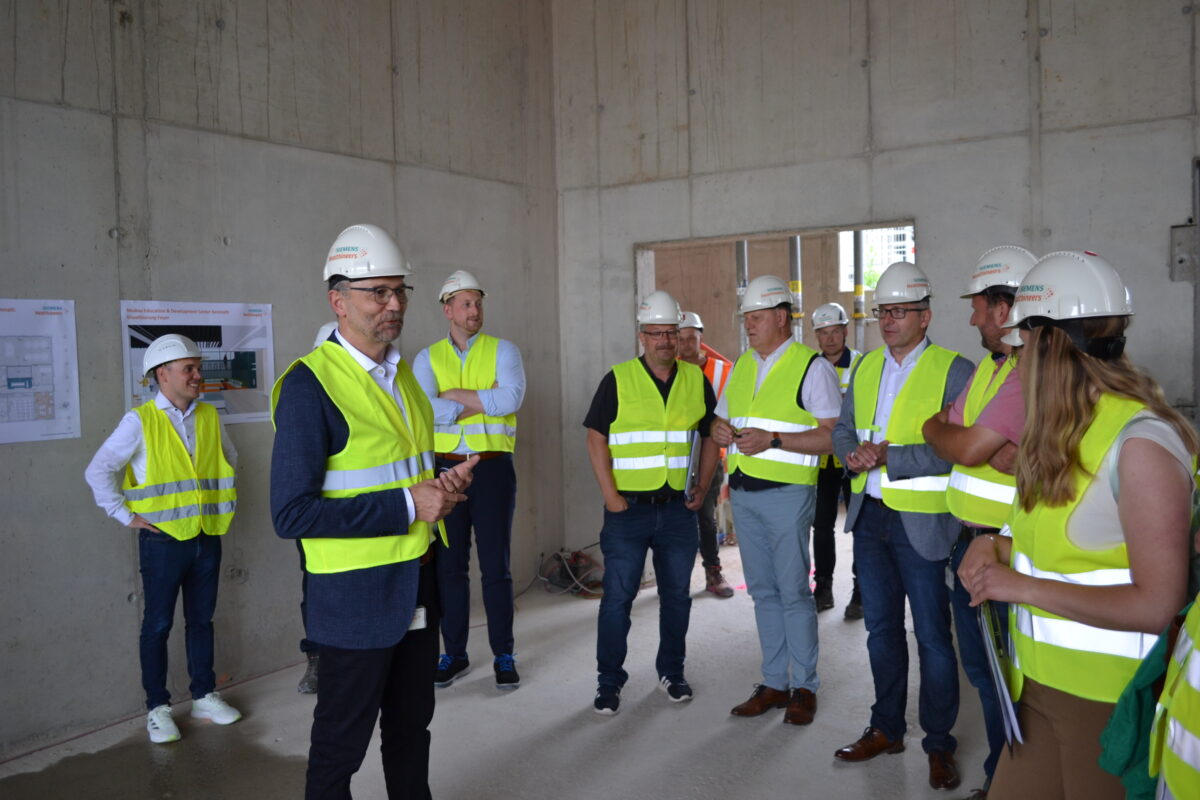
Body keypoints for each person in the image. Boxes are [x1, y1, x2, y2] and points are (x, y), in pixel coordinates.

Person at [958, 250, 1197, 800]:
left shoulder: (1140, 445)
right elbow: (1060, 549)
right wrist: (995, 545)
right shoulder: (1062, 432)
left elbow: (1158, 604)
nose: (1016, 365)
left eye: (1021, 349)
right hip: (1034, 687)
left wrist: (1019, 587)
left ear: (1049, 346)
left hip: (1107, 703)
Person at [270, 223, 475, 799]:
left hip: (416, 583)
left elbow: (395, 467)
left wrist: (439, 484)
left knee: (411, 731)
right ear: (338, 301)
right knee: (340, 748)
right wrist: (410, 502)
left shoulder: (402, 374)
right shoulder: (310, 386)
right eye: (377, 292)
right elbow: (291, 514)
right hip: (354, 598)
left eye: (400, 290)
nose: (395, 304)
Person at [831, 261, 974, 791]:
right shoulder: (866, 367)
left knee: (933, 637)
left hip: (925, 524)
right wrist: (851, 455)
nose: (888, 321)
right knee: (881, 631)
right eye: (882, 312)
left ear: (925, 316)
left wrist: (891, 456)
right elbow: (844, 430)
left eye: (900, 312)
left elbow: (961, 450)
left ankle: (939, 743)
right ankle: (886, 727)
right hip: (870, 519)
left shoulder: (955, 371)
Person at [84, 333, 243, 744]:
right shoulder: (139, 421)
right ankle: (157, 708)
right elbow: (98, 471)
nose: (197, 376)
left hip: (207, 534)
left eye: (198, 368)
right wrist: (125, 515)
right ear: (162, 374)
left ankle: (204, 695)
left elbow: (228, 459)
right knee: (157, 625)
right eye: (188, 369)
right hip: (163, 541)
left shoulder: (208, 416)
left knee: (201, 621)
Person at [921, 245, 1036, 799]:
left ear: (1003, 308)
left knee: (1010, 683)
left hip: (1004, 551)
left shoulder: (1025, 374)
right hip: (967, 546)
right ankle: (1000, 778)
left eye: (977, 307)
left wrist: (961, 440)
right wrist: (952, 435)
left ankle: (1010, 783)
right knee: (985, 676)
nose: (972, 320)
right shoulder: (991, 370)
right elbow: (942, 429)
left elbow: (961, 443)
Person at [712, 276, 841, 727]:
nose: (748, 325)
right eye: (746, 318)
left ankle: (804, 686)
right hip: (744, 492)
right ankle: (773, 682)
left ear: (782, 318)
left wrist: (775, 439)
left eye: (757, 317)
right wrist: (719, 430)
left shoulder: (812, 368)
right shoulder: (742, 365)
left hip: (787, 494)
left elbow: (833, 437)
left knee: (792, 592)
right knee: (763, 591)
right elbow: (720, 420)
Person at [584, 290, 718, 715]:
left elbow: (711, 436)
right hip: (628, 510)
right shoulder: (618, 379)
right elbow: (595, 438)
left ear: (680, 335)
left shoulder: (696, 379)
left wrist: (703, 485)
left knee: (677, 596)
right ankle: (609, 681)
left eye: (670, 332)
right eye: (655, 333)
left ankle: (672, 672)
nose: (664, 340)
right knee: (618, 598)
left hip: (678, 509)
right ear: (642, 336)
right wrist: (610, 496)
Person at [413, 269, 526, 690]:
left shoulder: (504, 350)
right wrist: (483, 399)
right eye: (465, 303)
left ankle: (504, 655)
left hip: (493, 468)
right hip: (444, 469)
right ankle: (455, 654)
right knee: (450, 568)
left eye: (477, 302)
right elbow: (423, 411)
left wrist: (450, 397)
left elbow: (511, 398)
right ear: (448, 310)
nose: (474, 310)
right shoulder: (426, 358)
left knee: (496, 567)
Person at [808, 301, 863, 617]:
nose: (829, 339)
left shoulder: (861, 364)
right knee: (822, 525)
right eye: (823, 333)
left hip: (854, 456)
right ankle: (823, 587)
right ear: (816, 336)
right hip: (823, 460)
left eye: (834, 332)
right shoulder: (811, 367)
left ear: (845, 331)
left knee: (859, 526)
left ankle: (861, 590)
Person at [677, 310, 735, 598]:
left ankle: (713, 572)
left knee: (706, 520)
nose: (686, 344)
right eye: (681, 339)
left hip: (711, 456)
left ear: (702, 339)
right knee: (676, 523)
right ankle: (675, 580)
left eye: (692, 338)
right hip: (677, 457)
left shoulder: (724, 370)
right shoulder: (668, 371)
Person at [296, 321, 340, 696]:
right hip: (319, 516)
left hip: (365, 514)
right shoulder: (306, 394)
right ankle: (318, 658)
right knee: (316, 587)